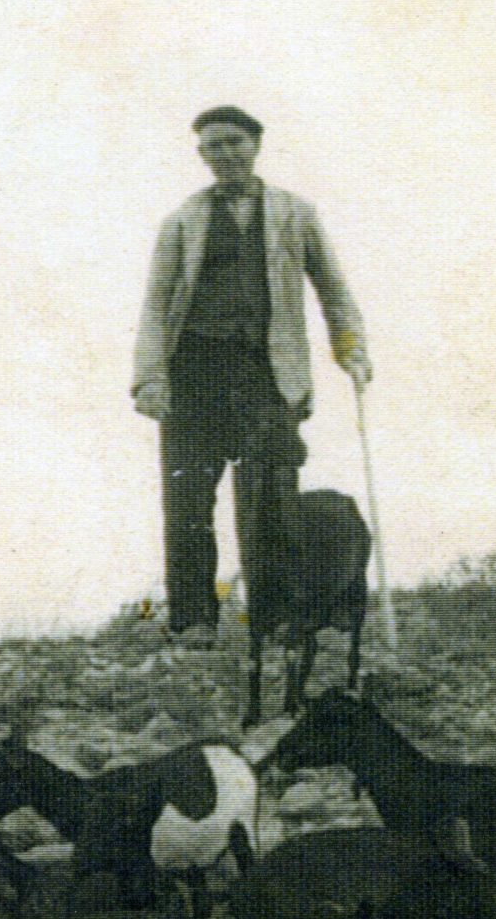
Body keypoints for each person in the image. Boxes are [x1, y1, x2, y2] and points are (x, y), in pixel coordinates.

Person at [132, 105, 372, 643]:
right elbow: (155, 307)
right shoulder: (181, 222)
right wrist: (150, 379)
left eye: (234, 142)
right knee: (189, 498)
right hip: (193, 373)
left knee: (272, 498)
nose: (225, 154)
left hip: (266, 374)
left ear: (256, 145)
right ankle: (194, 620)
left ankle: (277, 616)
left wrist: (352, 352)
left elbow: (334, 292)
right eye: (213, 146)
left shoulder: (297, 214)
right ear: (202, 156)